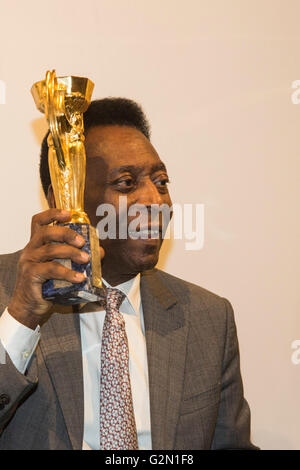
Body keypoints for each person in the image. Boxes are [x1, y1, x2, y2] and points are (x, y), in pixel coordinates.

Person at [0, 98, 257, 450]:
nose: (155, 200)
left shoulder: (208, 318)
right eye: (126, 183)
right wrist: (21, 319)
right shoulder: (8, 296)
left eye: (161, 181)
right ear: (65, 198)